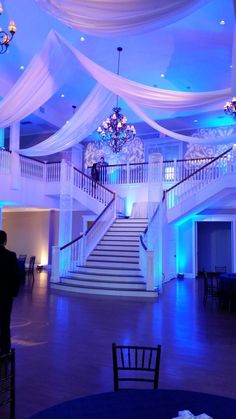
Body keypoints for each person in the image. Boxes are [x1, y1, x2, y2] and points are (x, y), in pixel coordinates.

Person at [0, 230, 20, 355]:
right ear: (5, 241)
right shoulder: (11, 256)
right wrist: (14, 292)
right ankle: (5, 348)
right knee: (5, 322)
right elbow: (16, 276)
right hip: (5, 296)